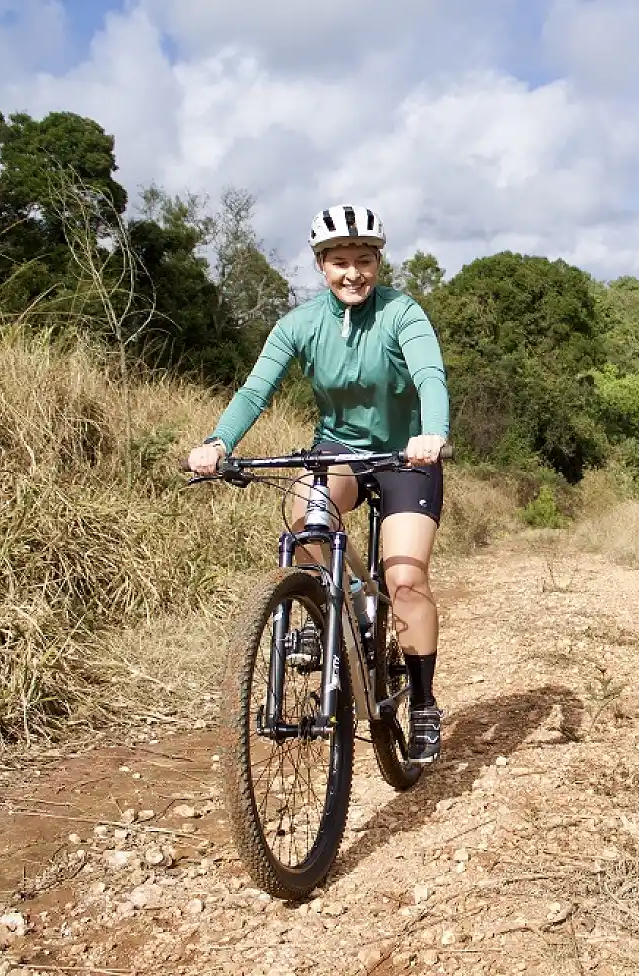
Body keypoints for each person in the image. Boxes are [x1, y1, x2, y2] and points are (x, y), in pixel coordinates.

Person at [186, 204, 450, 763]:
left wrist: (433, 433)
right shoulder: (300, 325)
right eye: (338, 262)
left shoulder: (404, 313)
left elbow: (429, 374)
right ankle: (338, 606)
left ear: (378, 261)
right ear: (321, 266)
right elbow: (256, 391)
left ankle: (423, 702)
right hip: (340, 451)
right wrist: (218, 443)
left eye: (363, 260)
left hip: (405, 455)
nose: (352, 273)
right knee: (308, 519)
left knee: (405, 578)